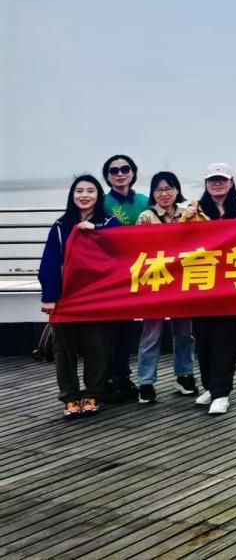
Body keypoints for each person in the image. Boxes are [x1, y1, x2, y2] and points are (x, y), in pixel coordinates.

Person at [39, 175, 120, 418]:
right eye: (79, 191)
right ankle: (70, 397)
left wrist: (97, 230)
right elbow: (50, 261)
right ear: (72, 195)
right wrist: (49, 296)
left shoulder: (109, 222)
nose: (84, 195)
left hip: (98, 297)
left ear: (99, 195)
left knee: (97, 347)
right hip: (66, 296)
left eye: (90, 191)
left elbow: (122, 245)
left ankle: (93, 394)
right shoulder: (61, 225)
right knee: (64, 350)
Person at [180, 163, 236, 415]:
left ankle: (222, 392)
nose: (217, 184)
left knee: (225, 340)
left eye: (222, 180)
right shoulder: (193, 211)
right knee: (204, 339)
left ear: (231, 182)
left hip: (231, 286)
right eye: (212, 180)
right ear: (206, 184)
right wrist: (184, 220)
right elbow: (175, 241)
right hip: (202, 284)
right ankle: (209, 386)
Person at [135, 172, 197, 403]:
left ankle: (184, 374)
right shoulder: (146, 217)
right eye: (159, 189)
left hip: (182, 282)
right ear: (152, 193)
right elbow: (140, 247)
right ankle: (146, 382)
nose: (164, 194)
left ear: (177, 190)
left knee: (184, 333)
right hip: (156, 282)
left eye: (169, 188)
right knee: (151, 334)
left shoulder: (188, 212)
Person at [101, 153, 147, 401]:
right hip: (109, 274)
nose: (120, 174)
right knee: (108, 328)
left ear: (133, 172)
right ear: (107, 177)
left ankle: (123, 376)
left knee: (127, 328)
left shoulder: (144, 200)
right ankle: (106, 378)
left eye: (125, 169)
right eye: (114, 170)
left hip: (136, 272)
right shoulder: (102, 202)